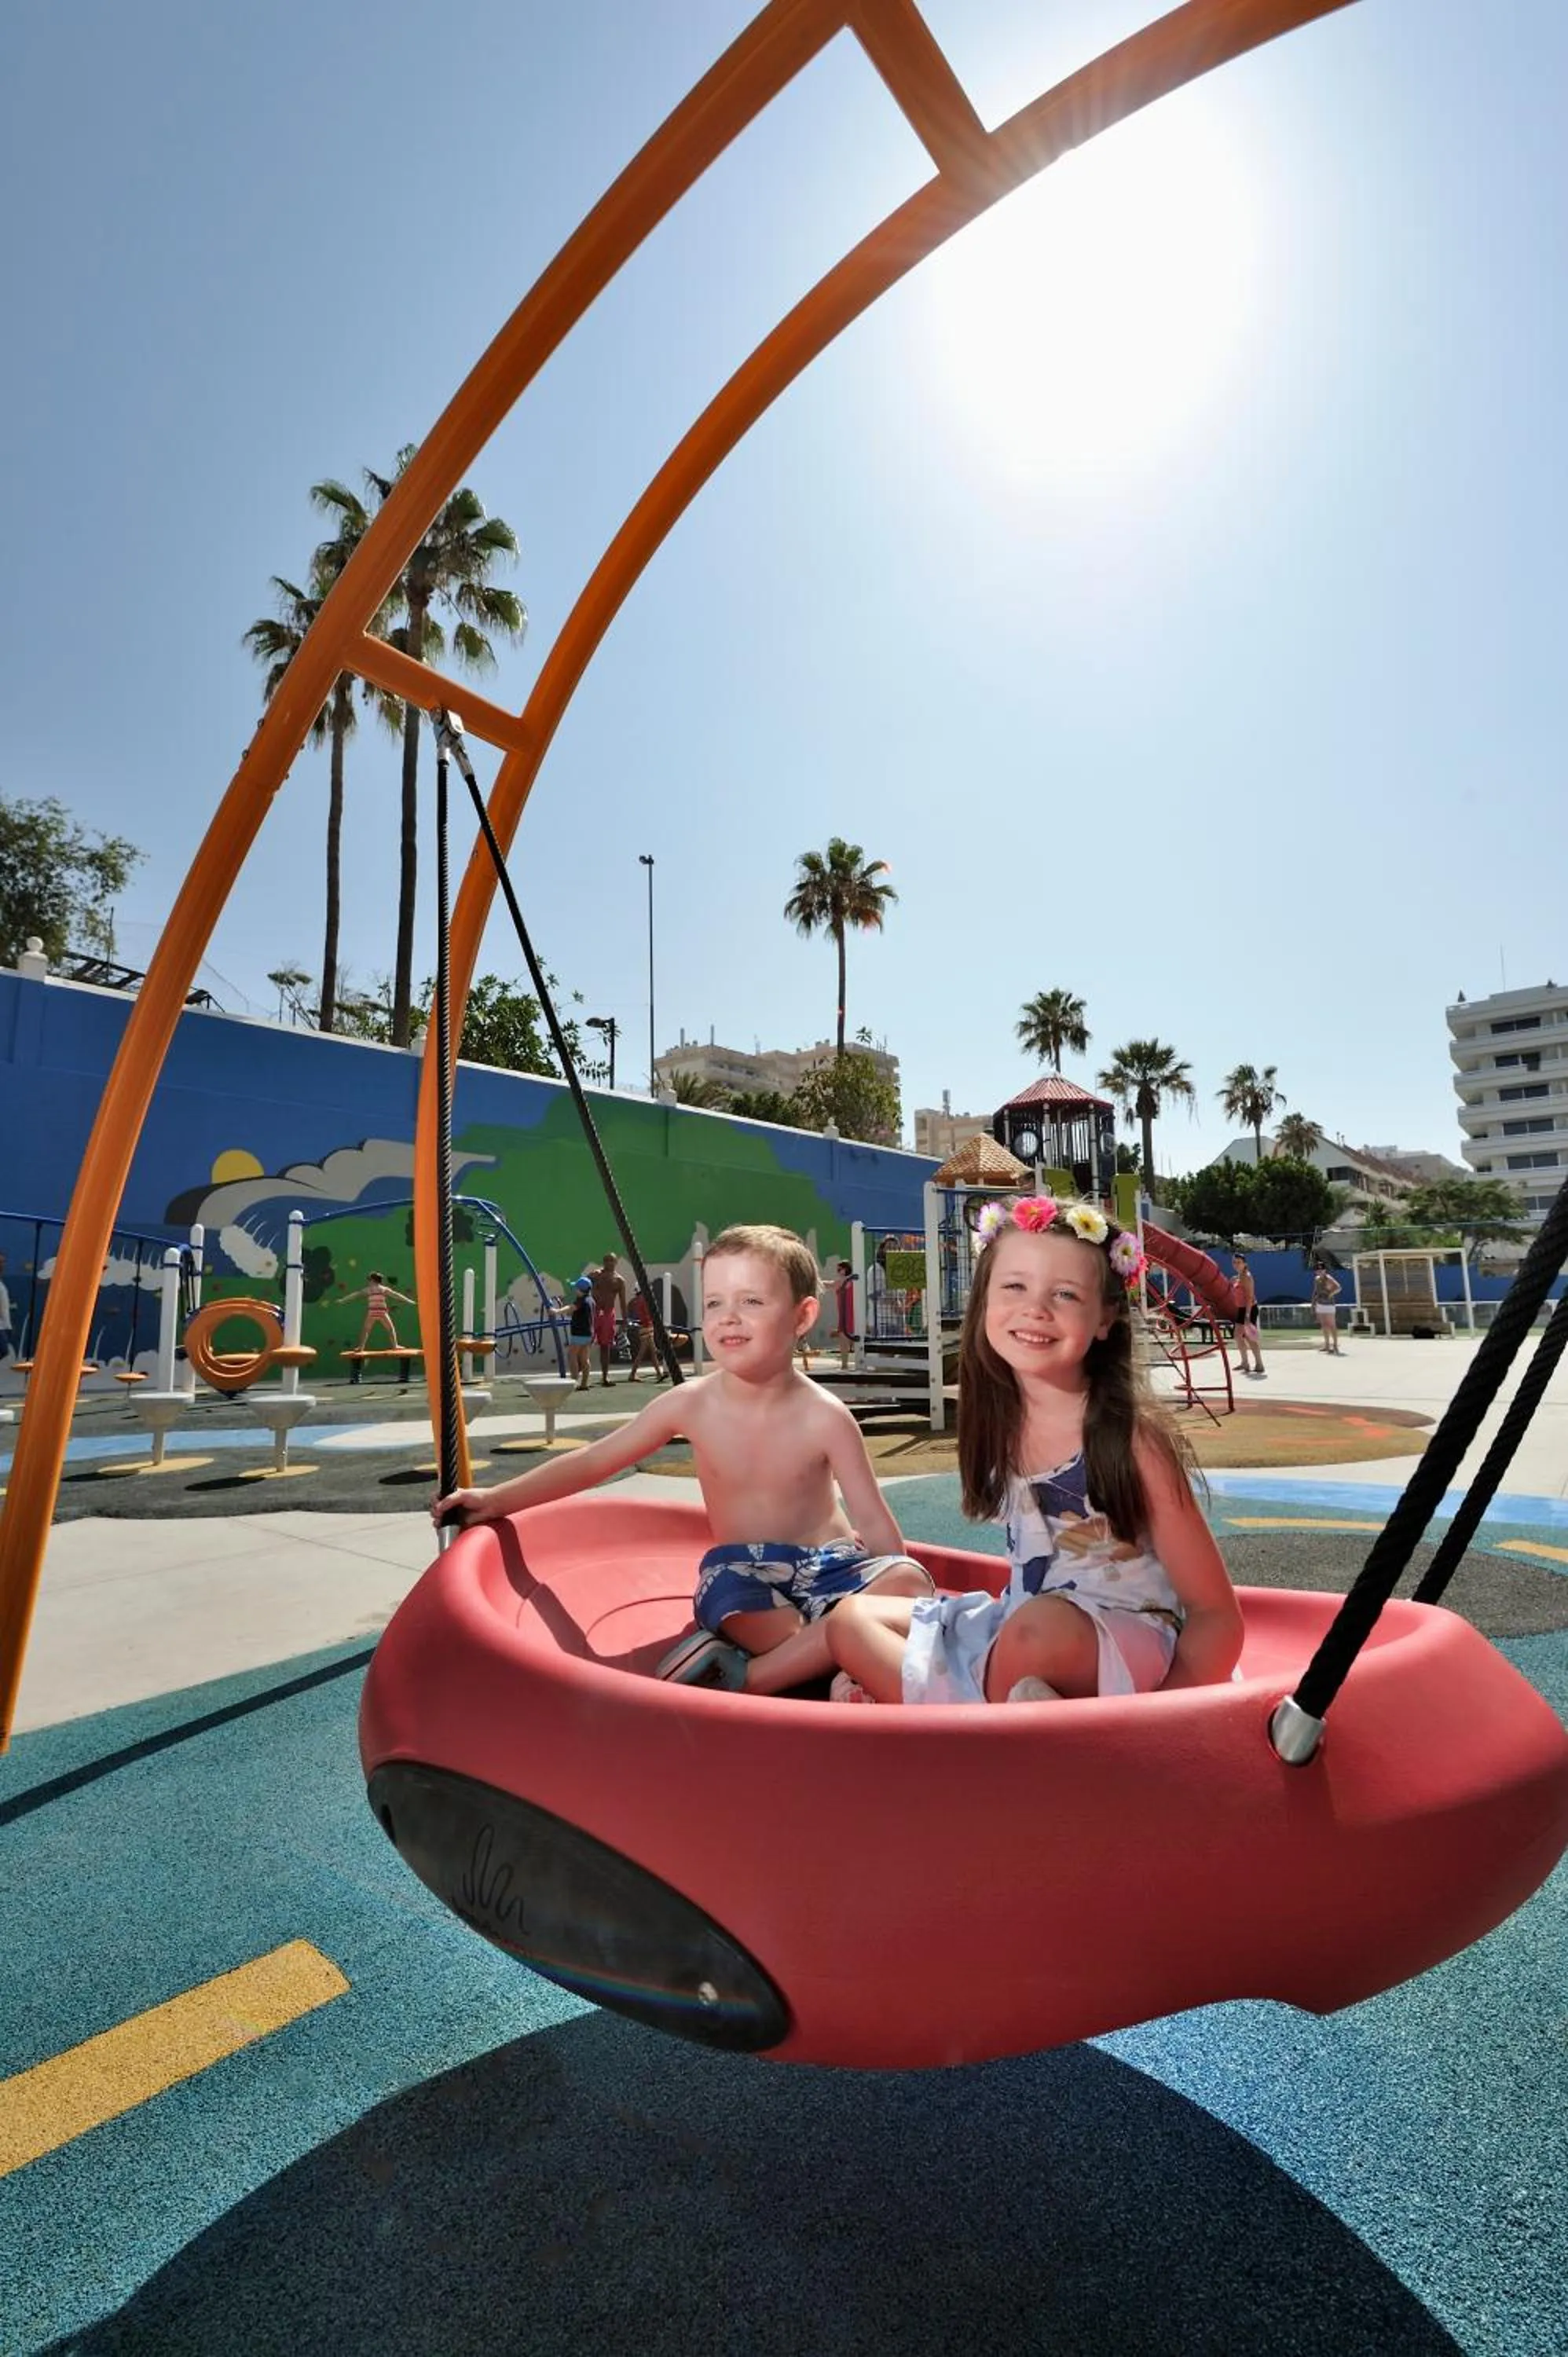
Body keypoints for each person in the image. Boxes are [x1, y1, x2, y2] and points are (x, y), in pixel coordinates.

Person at [433, 1222, 932, 1695]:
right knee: (733, 1599)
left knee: (910, 1580)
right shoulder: (691, 1403)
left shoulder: (825, 1416)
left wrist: (895, 1583)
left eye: (752, 1301)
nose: (728, 1316)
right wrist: (497, 1499)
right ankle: (839, 1659)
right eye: (714, 1302)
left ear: (802, 1317)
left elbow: (874, 1523)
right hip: (748, 1574)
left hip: (834, 1568)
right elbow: (594, 1462)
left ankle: (758, 1675)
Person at [824, 1195, 1243, 1707]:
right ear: (984, 1300)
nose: (1035, 1309)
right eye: (1015, 1286)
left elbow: (1216, 1616)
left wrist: (1157, 1721)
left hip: (1118, 1635)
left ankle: (966, 1710)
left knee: (1034, 1635)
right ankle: (1010, 1709)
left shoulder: (1128, 1438)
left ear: (1105, 1317)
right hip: (1021, 1616)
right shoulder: (999, 1419)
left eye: (1065, 1293)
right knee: (850, 1621)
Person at [339, 1270, 414, 1352]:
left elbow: (356, 1295)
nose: (368, 1282)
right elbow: (397, 1296)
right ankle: (395, 1345)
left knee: (366, 1330)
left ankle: (361, 1347)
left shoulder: (369, 1290)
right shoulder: (383, 1289)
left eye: (369, 1280)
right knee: (390, 1329)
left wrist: (343, 1300)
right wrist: (408, 1301)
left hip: (372, 1313)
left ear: (372, 1280)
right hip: (382, 1313)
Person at [590, 1252, 628, 1387]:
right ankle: (580, 1377)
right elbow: (582, 1286)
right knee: (584, 1344)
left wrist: (625, 1319)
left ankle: (605, 1377)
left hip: (607, 1314)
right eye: (606, 1260)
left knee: (605, 1346)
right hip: (593, 1312)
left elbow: (623, 1301)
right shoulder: (596, 1275)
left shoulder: (619, 1280)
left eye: (611, 1260)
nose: (609, 1263)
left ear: (616, 1262)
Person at [1230, 1251, 1265, 1379]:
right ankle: (1245, 1363)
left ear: (1245, 1264)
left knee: (1250, 1337)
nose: (1236, 1264)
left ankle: (1259, 1364)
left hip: (1249, 1308)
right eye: (1234, 1262)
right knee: (1238, 1336)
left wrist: (1248, 1315)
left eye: (1239, 1262)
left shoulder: (1247, 1276)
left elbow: (1250, 1297)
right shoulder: (1237, 1277)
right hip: (1241, 1308)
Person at [566, 1274, 595, 1388]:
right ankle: (584, 1384)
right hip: (588, 1333)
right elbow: (578, 1312)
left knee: (572, 1355)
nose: (575, 1290)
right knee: (584, 1359)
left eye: (576, 1288)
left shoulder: (581, 1300)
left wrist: (556, 1311)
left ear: (580, 1290)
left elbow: (570, 1308)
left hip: (579, 1333)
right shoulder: (591, 1300)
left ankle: (573, 1380)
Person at [627, 1287, 661, 1381]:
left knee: (652, 1352)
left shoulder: (636, 1301)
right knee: (644, 1352)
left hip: (644, 1327)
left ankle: (659, 1373)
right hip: (647, 1327)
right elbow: (648, 1314)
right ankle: (633, 1374)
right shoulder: (644, 1300)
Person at [1311, 1257, 1344, 1354]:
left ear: (1325, 1270)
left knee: (1332, 1325)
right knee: (1324, 1325)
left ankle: (1335, 1346)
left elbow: (1339, 1287)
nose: (1320, 1271)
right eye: (1318, 1270)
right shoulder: (1317, 1279)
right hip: (1320, 1304)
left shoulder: (1328, 1278)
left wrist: (1330, 1294)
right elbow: (1316, 1291)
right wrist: (1313, 1302)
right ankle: (1327, 1345)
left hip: (1329, 1305)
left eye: (1322, 1269)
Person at [831, 1259, 856, 1369]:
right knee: (853, 1340)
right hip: (853, 1314)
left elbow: (827, 1285)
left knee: (844, 1340)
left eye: (839, 1269)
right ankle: (855, 1364)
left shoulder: (842, 1281)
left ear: (845, 1270)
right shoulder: (854, 1281)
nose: (837, 1271)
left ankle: (844, 1365)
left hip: (845, 1314)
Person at [0, 1251, 13, 1363]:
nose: (2, 1265)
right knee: (3, 1350)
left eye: (3, 1262)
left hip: (2, 1326)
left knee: (4, 1350)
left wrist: (7, 1326)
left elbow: (4, 1308)